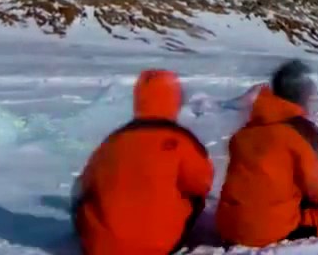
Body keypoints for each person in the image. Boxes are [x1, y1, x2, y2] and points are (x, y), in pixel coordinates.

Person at [216, 60, 318, 247]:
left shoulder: (245, 132)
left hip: (228, 228)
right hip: (266, 230)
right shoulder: (299, 131)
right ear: (301, 95)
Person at [71, 69, 214, 255]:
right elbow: (201, 184)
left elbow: (87, 184)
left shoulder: (114, 140)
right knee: (193, 196)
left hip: (102, 248)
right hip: (158, 245)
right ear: (175, 98)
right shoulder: (182, 141)